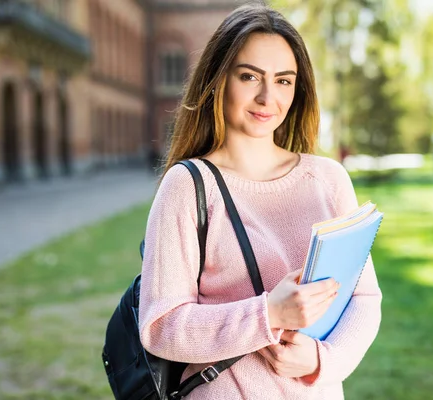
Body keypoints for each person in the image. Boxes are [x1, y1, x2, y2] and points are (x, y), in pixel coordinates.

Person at [139, 4, 381, 399]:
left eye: (284, 81)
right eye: (249, 76)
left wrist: (322, 361)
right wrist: (268, 313)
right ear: (219, 80)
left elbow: (365, 299)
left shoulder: (328, 178)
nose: (268, 97)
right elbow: (160, 327)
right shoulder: (187, 185)